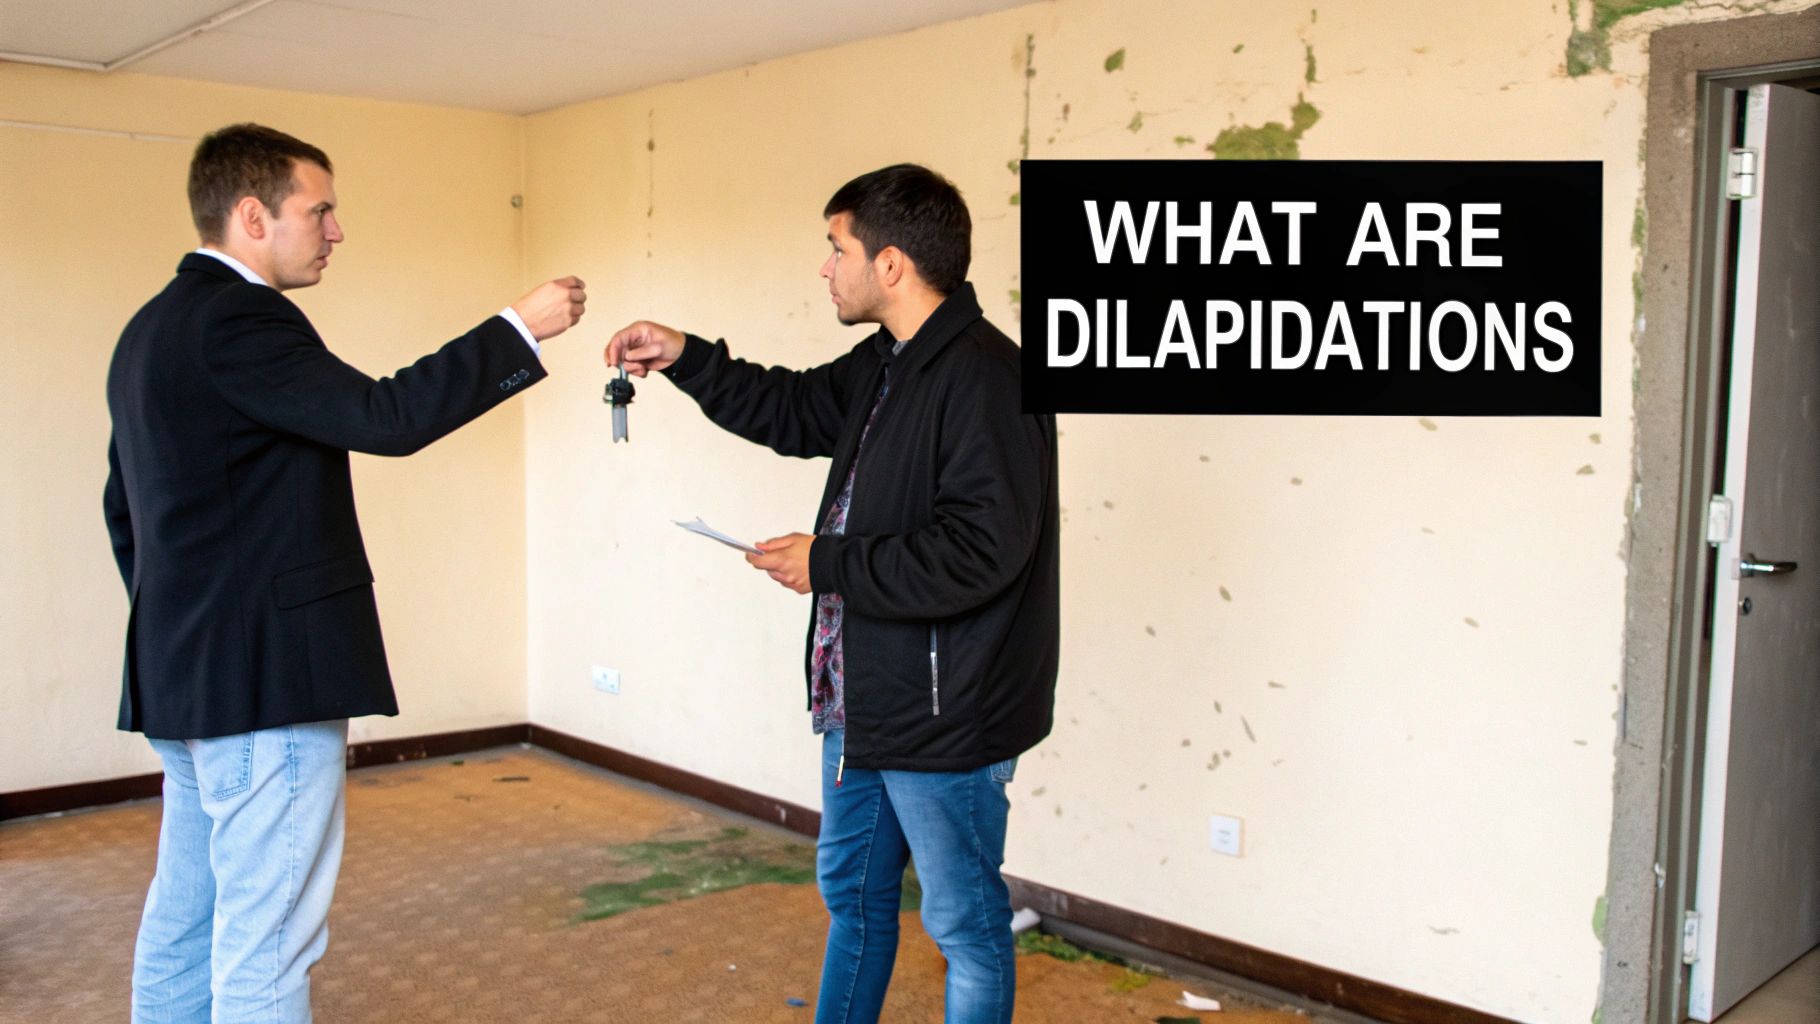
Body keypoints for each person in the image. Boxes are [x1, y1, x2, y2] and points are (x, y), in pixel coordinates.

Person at [103, 122, 585, 1023]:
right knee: (266, 946)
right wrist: (518, 328)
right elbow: (384, 416)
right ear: (252, 215)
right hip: (263, 688)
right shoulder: (242, 319)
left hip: (183, 677)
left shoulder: (150, 328)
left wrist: (190, 619)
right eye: (318, 210)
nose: (335, 231)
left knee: (186, 920)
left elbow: (123, 511)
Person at [605, 163, 1059, 1024]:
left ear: (890, 264)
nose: (825, 267)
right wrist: (687, 357)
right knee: (853, 903)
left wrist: (830, 564)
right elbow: (791, 407)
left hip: (945, 712)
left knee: (965, 926)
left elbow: (981, 552)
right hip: (862, 700)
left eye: (836, 247)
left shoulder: (988, 379)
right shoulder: (889, 364)